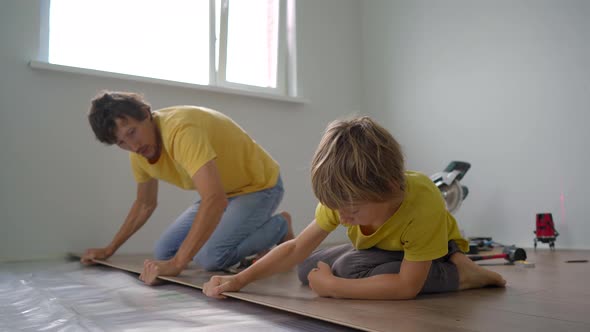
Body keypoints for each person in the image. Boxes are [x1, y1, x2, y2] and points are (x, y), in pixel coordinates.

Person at [203, 116, 505, 300]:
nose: (344, 219)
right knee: (307, 267)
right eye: (337, 209)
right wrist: (240, 279)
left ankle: (464, 275)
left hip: (434, 249)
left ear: (389, 188)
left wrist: (334, 288)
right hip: (386, 249)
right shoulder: (345, 196)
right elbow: (297, 248)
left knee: (347, 270)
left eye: (353, 211)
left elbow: (406, 287)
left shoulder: (423, 200)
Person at [81, 91, 294, 285]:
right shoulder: (139, 156)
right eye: (122, 143)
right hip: (223, 192)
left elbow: (214, 200)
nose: (133, 146)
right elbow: (145, 204)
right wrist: (110, 249)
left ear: (146, 114)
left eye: (132, 132)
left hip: (259, 186)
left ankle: (280, 226)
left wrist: (178, 264)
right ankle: (247, 240)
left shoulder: (181, 130)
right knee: (163, 252)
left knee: (210, 257)